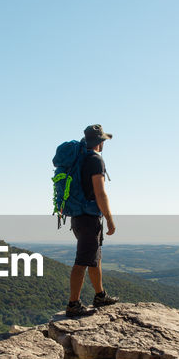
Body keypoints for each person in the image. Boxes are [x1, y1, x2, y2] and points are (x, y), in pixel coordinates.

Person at [66, 124, 120, 317]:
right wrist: (110, 219)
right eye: (103, 139)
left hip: (78, 217)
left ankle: (99, 295)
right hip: (89, 218)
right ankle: (73, 304)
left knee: (94, 257)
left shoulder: (79, 159)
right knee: (82, 261)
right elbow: (100, 192)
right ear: (100, 141)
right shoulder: (95, 160)